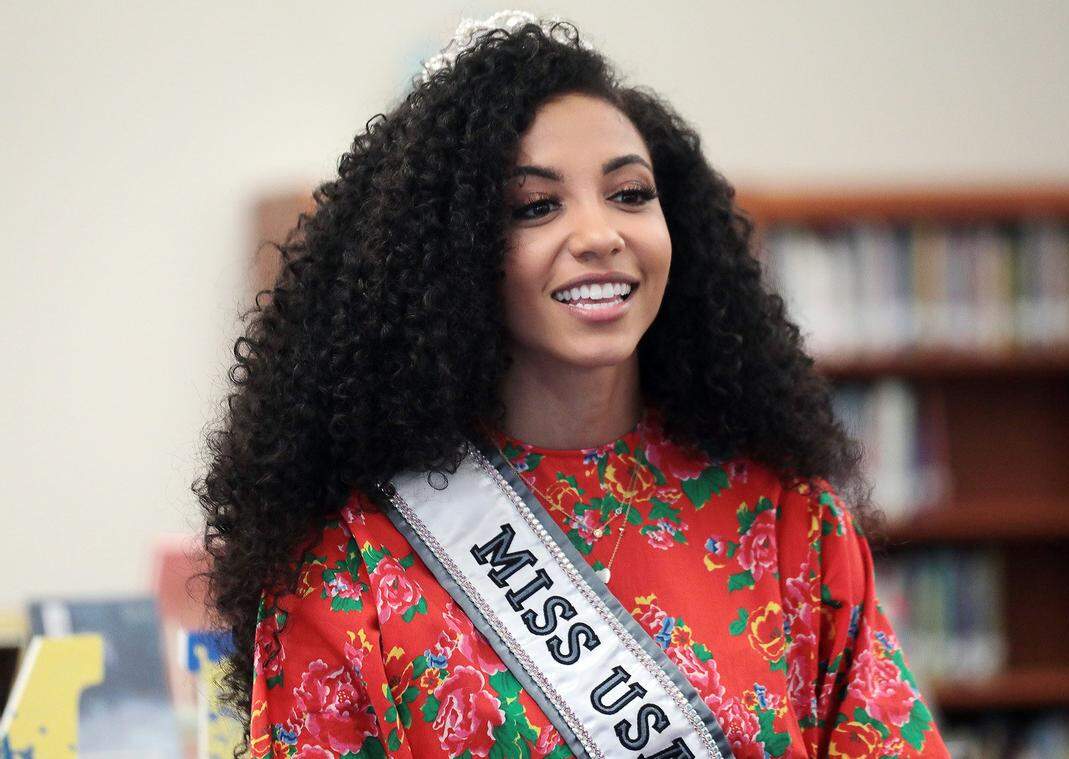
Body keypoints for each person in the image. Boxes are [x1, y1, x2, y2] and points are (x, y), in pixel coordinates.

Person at [194, 11, 950, 759]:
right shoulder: (352, 560)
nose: (599, 234)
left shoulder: (787, 519)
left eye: (630, 193)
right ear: (451, 253)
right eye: (536, 207)